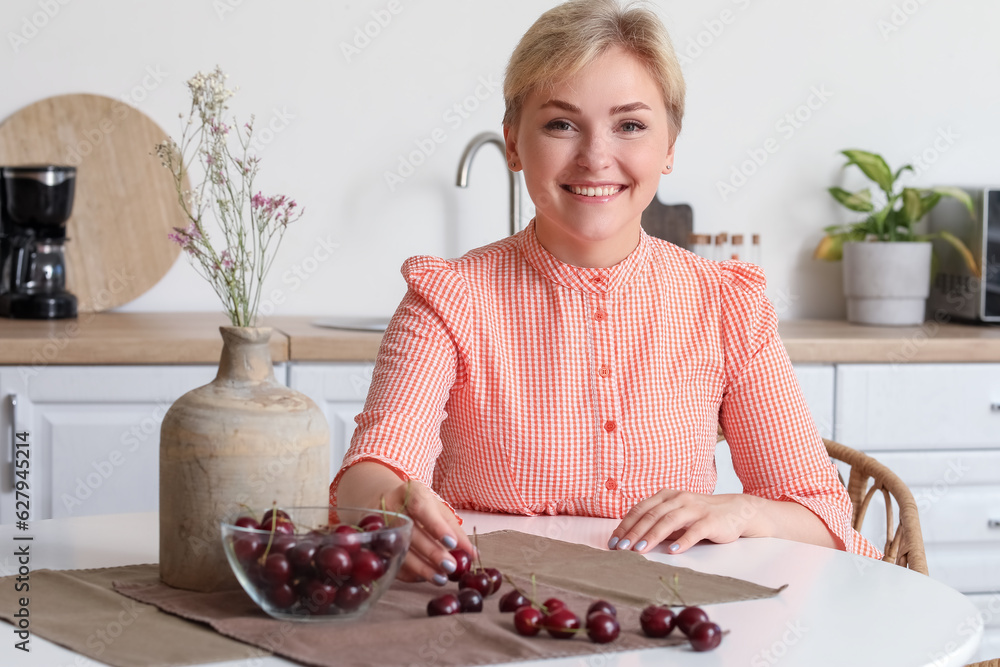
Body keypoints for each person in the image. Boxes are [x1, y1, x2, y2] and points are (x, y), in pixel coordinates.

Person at [333, 0, 880, 586]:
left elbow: (820, 513)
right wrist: (393, 504)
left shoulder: (727, 305)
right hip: (490, 611)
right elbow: (370, 471)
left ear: (669, 147)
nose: (596, 158)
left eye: (631, 125)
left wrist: (742, 510)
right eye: (561, 124)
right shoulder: (447, 299)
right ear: (514, 144)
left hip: (672, 621)